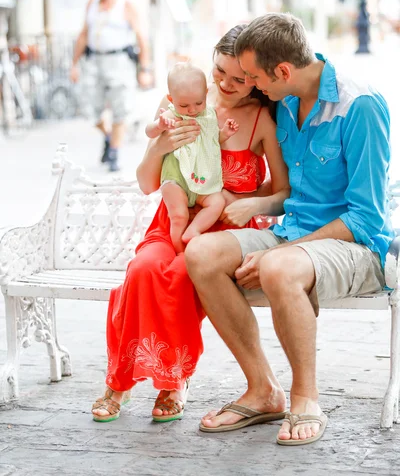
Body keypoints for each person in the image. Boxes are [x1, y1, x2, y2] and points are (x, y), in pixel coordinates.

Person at [185, 13, 393, 446]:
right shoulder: (282, 101)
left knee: (279, 267)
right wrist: (257, 203)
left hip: (354, 245)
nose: (252, 87)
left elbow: (365, 217)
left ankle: (305, 400)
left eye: (256, 78)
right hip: (292, 232)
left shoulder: (360, 106)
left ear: (282, 71)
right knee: (202, 254)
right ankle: (263, 390)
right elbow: (289, 193)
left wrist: (284, 251)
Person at [91, 24, 290, 424]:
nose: (227, 84)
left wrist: (245, 202)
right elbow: (148, 183)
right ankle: (119, 379)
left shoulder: (261, 120)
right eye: (220, 71)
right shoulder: (185, 100)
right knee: (143, 268)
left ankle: (173, 380)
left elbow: (283, 192)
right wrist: (160, 148)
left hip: (224, 232)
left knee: (182, 274)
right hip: (171, 222)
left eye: (240, 78)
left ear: (254, 76)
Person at [146, 62, 239, 253]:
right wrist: (160, 125)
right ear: (172, 99)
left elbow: (212, 140)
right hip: (177, 178)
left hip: (203, 178)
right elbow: (149, 132)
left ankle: (193, 230)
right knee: (178, 216)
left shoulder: (210, 114)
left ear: (206, 93)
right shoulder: (171, 113)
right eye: (184, 105)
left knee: (217, 202)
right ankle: (179, 250)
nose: (192, 110)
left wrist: (225, 133)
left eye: (198, 103)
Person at [70, 0, 152, 172]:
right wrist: (74, 64)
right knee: (90, 108)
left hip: (119, 61)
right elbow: (83, 34)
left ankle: (114, 152)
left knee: (120, 108)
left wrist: (145, 69)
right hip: (94, 61)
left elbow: (141, 37)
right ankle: (108, 136)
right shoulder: (91, 4)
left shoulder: (125, 3)